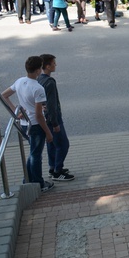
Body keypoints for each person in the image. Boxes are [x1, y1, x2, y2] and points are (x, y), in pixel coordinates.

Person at [1, 56, 54, 192]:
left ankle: (28, 179)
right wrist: (48, 132)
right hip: (36, 125)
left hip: (25, 124)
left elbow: (4, 95)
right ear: (37, 70)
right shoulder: (38, 88)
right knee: (36, 155)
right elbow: (38, 115)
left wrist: (15, 111)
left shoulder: (20, 81)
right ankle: (38, 183)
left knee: (32, 153)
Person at [37, 54, 75, 182]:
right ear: (47, 66)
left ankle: (52, 168)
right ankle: (58, 172)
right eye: (53, 63)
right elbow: (52, 105)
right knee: (63, 145)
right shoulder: (50, 82)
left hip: (45, 118)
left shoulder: (39, 79)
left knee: (52, 144)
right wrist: (55, 123)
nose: (55, 65)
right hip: (53, 119)